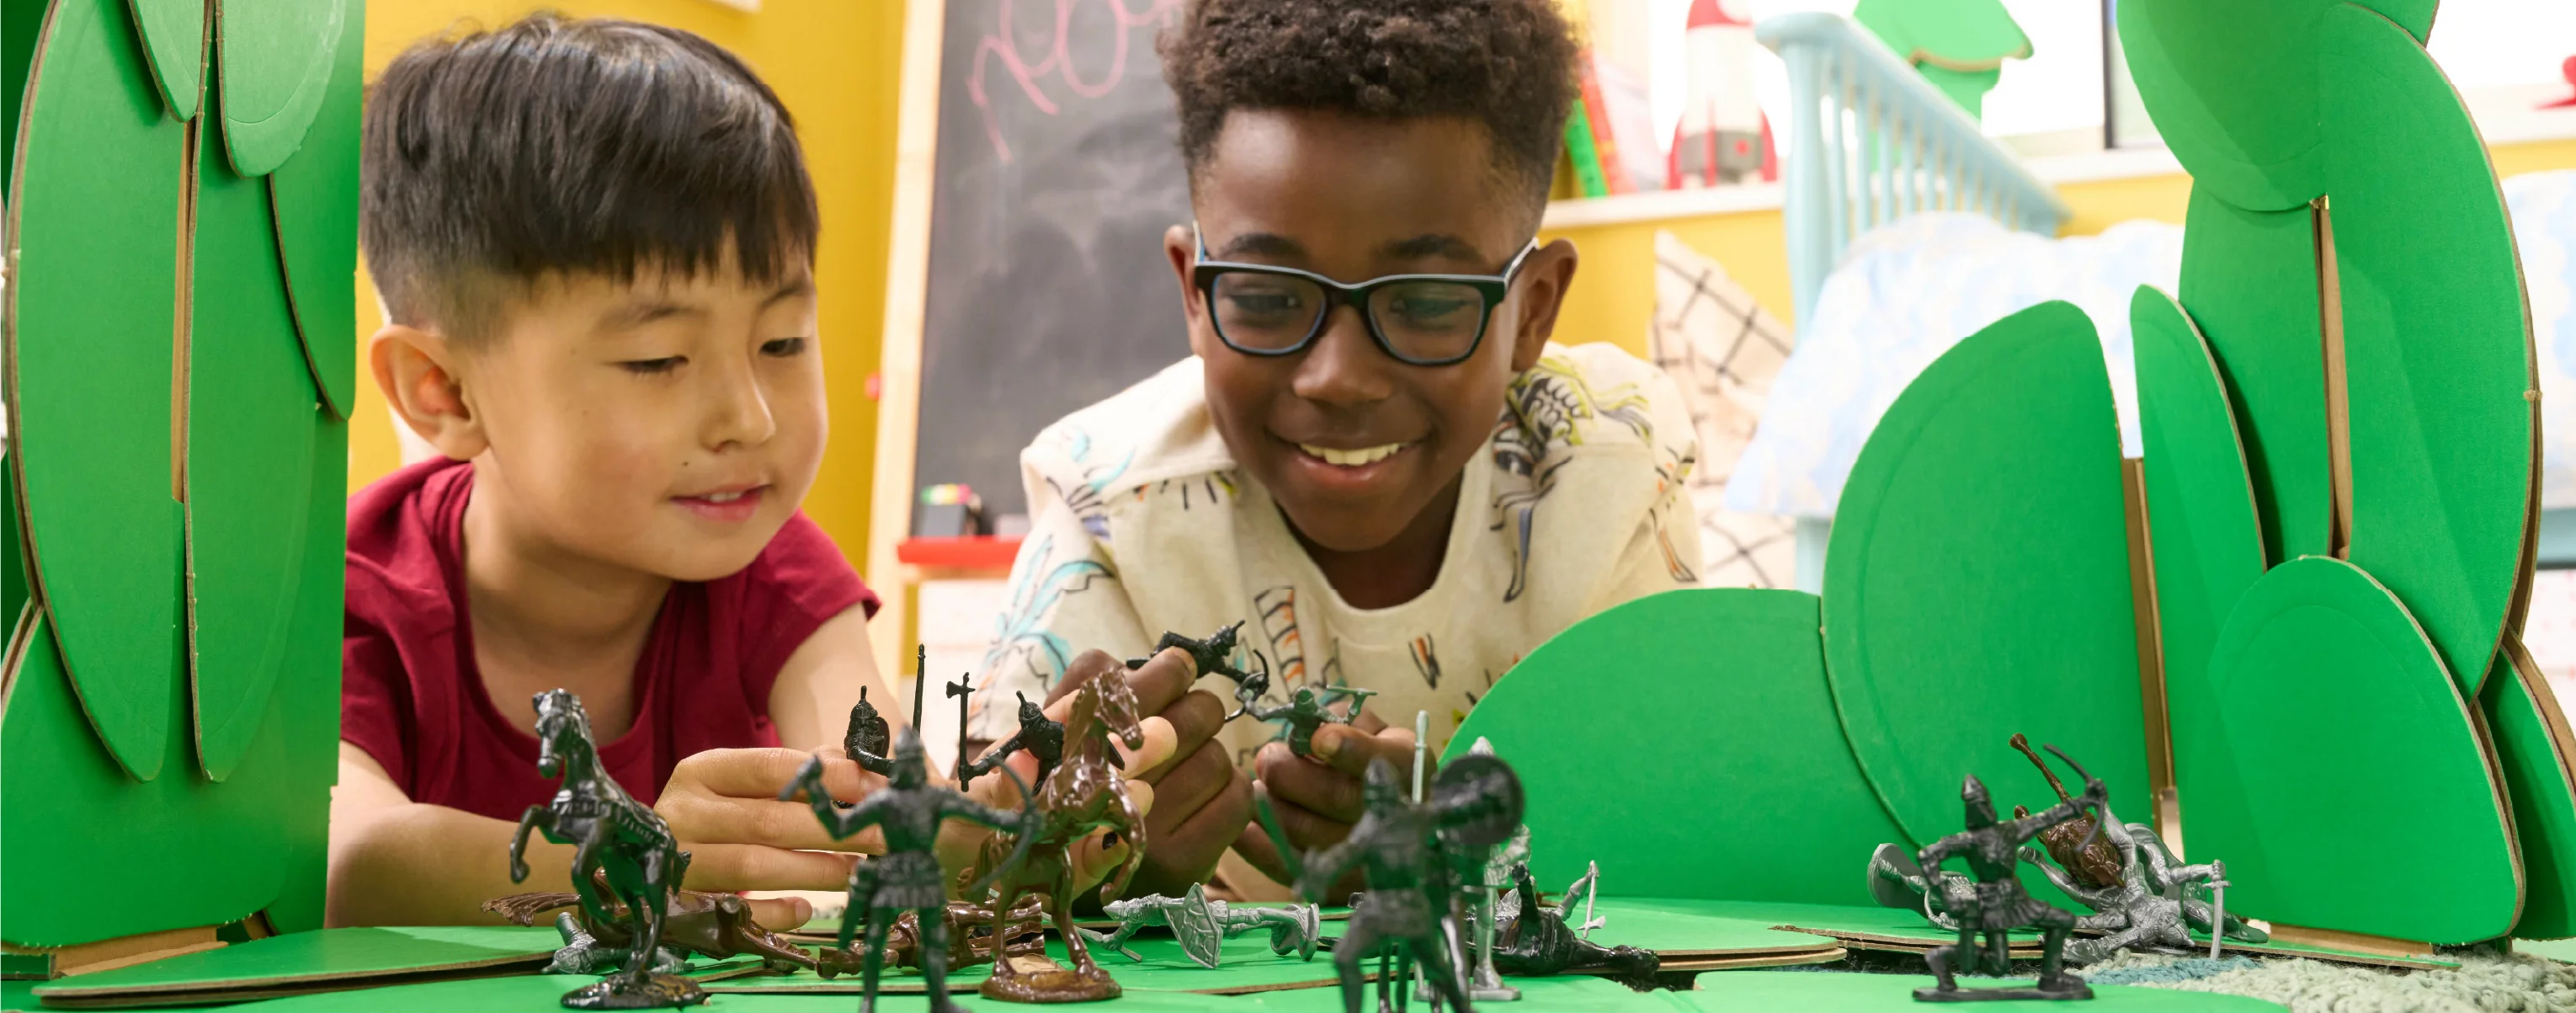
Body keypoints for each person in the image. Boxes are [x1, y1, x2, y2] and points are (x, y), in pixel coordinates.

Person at [330, 13, 1158, 928]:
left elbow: (882, 803)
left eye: (781, 341)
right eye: (657, 360)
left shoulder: (775, 569)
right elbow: (349, 861)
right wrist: (633, 863)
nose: (750, 418)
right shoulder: (359, 590)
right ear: (442, 389)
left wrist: (993, 830)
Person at [969, 0, 1703, 902]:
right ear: (1193, 300)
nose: (1337, 377)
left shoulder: (1609, 471)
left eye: (1426, 304)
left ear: (1534, 312)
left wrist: (1490, 856)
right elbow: (985, 866)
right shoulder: (1108, 510)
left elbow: (1683, 845)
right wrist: (1095, 873)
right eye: (1269, 296)